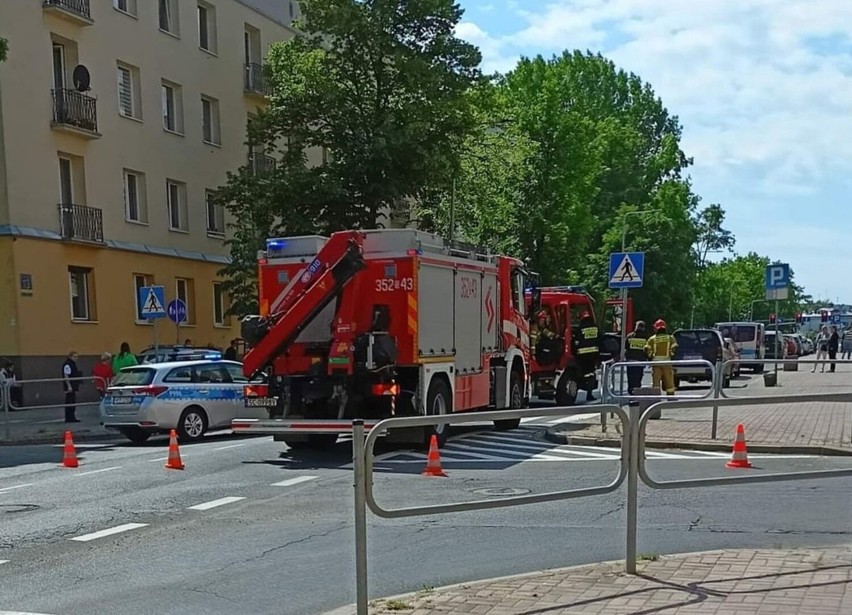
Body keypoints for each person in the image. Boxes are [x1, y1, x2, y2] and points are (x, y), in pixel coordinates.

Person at [645, 319, 678, 396]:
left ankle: (656, 397)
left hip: (656, 363)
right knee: (669, 380)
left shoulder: (652, 339)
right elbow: (674, 349)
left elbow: (648, 351)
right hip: (667, 362)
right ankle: (670, 396)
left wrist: (650, 357)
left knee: (656, 381)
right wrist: (671, 355)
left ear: (656, 328)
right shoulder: (670, 338)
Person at [575, 311, 600, 401]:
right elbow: (600, 340)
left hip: (582, 356)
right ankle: (589, 394)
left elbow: (576, 341)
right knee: (591, 374)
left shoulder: (580, 328)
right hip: (593, 356)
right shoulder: (596, 328)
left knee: (579, 374)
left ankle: (576, 392)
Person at [625, 320, 647, 396]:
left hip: (630, 361)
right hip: (640, 362)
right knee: (638, 379)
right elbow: (647, 350)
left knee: (631, 378)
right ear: (643, 328)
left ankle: (631, 392)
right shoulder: (645, 337)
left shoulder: (630, 336)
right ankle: (637, 392)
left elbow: (625, 347)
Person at [62, 351, 81, 423]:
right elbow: (66, 375)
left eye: (77, 357)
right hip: (70, 387)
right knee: (70, 402)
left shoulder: (72, 364)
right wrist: (69, 386)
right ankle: (69, 418)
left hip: (73, 386)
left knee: (72, 402)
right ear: (70, 357)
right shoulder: (67, 364)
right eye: (75, 357)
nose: (76, 358)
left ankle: (72, 417)